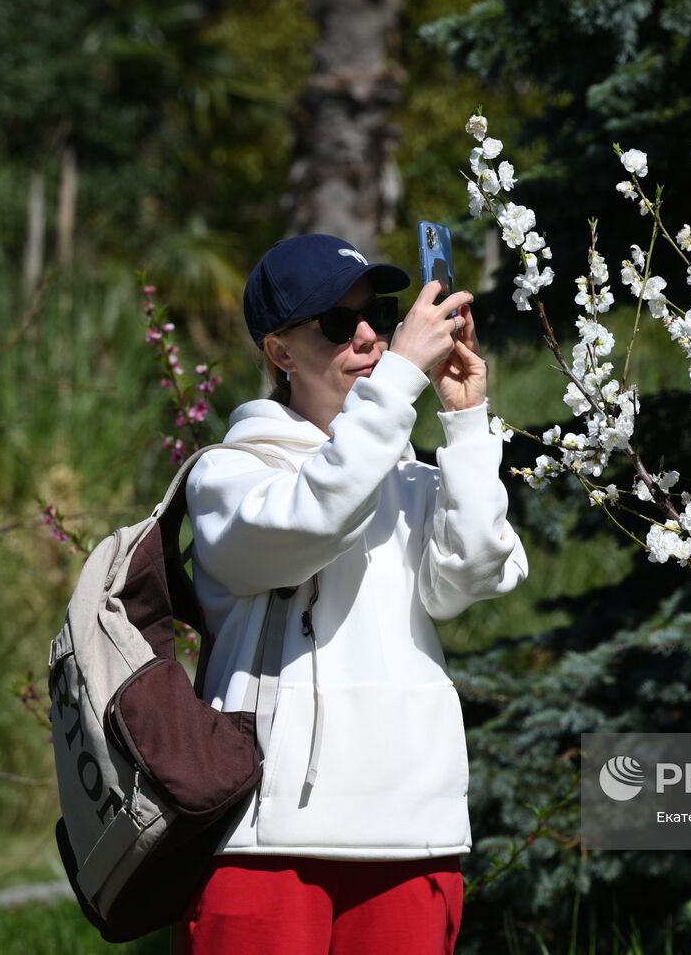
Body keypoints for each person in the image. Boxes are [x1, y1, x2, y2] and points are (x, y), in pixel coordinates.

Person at [179, 233, 529, 953]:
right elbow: (317, 516)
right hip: (264, 840)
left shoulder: (410, 477)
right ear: (280, 352)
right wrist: (399, 380)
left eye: (381, 315)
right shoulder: (228, 476)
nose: (370, 336)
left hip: (410, 828)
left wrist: (464, 425)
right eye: (338, 323)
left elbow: (479, 570)